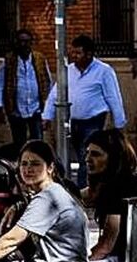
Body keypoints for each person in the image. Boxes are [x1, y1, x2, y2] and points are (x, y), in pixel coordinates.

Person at [43, 35, 126, 187]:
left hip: (93, 121)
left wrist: (119, 123)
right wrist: (47, 115)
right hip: (72, 121)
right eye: (72, 53)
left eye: (78, 53)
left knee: (85, 157)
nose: (74, 56)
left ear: (89, 54)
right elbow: (56, 93)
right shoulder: (68, 71)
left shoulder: (104, 71)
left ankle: (85, 189)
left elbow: (113, 96)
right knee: (67, 156)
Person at [83, 128, 137, 262]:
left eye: (96, 154)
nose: (87, 159)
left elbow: (105, 246)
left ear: (113, 158)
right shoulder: (122, 183)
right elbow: (77, 195)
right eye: (87, 153)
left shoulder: (118, 189)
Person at [0, 29, 51, 150]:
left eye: (27, 42)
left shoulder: (40, 59)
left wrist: (48, 108)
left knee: (38, 142)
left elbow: (47, 81)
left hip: (36, 108)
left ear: (31, 43)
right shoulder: (9, 60)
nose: (23, 45)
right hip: (16, 109)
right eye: (21, 42)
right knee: (20, 143)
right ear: (16, 43)